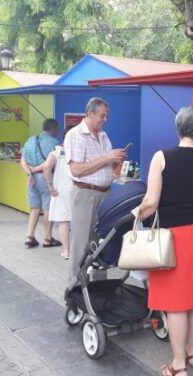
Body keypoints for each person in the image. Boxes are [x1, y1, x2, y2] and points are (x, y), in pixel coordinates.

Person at [135, 106, 193, 376]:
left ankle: (178, 364)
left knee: (175, 302)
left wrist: (135, 214)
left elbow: (151, 202)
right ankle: (192, 353)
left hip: (173, 237)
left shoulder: (161, 158)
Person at [64, 97, 126, 278]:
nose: (105, 120)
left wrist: (116, 162)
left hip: (105, 194)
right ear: (90, 113)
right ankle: (74, 287)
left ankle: (97, 285)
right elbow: (76, 170)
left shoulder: (104, 136)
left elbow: (106, 167)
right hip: (86, 193)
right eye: (102, 116)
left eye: (107, 116)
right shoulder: (75, 135)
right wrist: (107, 158)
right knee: (82, 241)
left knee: (102, 241)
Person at [21, 118, 61, 248]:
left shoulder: (31, 140)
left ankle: (30, 236)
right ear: (52, 129)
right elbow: (48, 164)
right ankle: (48, 238)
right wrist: (37, 169)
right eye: (57, 129)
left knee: (34, 207)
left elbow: (23, 160)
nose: (58, 132)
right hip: (46, 177)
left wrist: (29, 173)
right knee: (47, 208)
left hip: (31, 179)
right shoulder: (55, 143)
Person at [43, 125, 75, 259]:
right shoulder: (80, 150)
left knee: (63, 220)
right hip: (79, 188)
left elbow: (46, 167)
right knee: (79, 221)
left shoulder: (57, 150)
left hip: (60, 190)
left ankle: (66, 251)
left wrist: (50, 186)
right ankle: (78, 251)